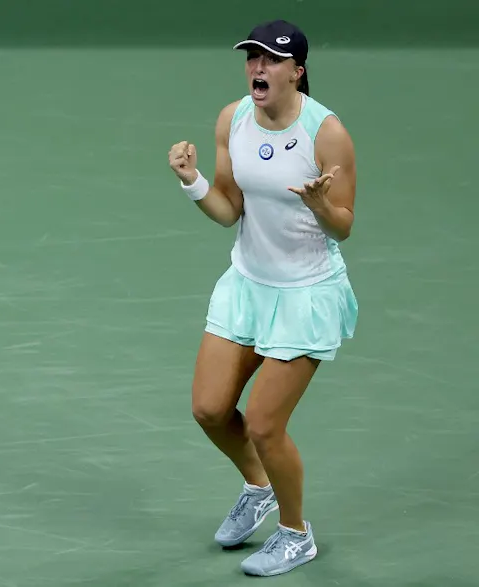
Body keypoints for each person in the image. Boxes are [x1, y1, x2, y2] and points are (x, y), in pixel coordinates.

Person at [167, 20, 358, 577]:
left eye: (271, 61)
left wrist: (320, 205)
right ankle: (259, 485)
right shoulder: (234, 120)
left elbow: (343, 225)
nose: (257, 69)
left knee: (265, 424)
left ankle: (297, 535)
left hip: (306, 294)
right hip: (248, 286)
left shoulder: (328, 134)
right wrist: (193, 181)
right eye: (252, 59)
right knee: (208, 409)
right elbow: (231, 208)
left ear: (296, 71)